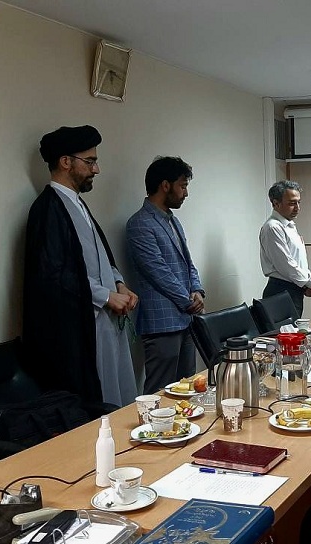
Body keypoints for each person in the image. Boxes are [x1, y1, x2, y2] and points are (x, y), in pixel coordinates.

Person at [23, 125, 138, 407]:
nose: (96, 169)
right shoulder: (47, 210)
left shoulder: (78, 204)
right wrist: (105, 296)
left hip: (107, 320)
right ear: (65, 161)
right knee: (100, 404)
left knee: (121, 396)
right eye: (90, 161)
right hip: (83, 327)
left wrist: (120, 284)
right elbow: (52, 275)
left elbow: (100, 256)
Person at [126, 156, 205, 393]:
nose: (186, 193)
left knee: (187, 388)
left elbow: (187, 262)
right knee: (159, 392)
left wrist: (197, 290)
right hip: (161, 322)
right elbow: (157, 271)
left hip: (185, 319)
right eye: (183, 186)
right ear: (165, 185)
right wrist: (187, 301)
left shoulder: (173, 220)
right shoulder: (140, 223)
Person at [259, 180, 311, 316]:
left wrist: (305, 282)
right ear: (276, 203)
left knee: (294, 328)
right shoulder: (273, 227)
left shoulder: (289, 225)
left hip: (294, 288)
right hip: (280, 290)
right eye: (292, 203)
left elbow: (297, 260)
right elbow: (286, 264)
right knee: (285, 330)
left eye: (298, 202)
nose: (297, 208)